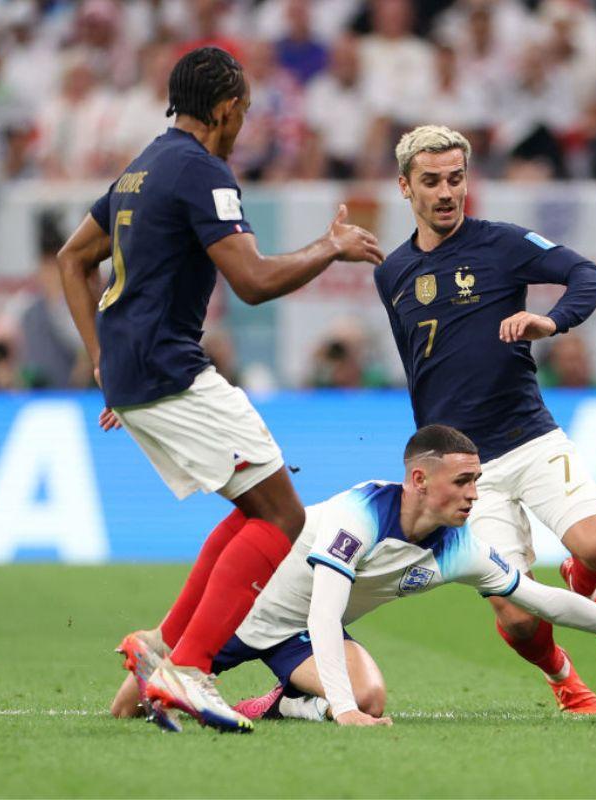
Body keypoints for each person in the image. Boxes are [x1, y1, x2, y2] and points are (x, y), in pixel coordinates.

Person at [56, 46, 383, 734]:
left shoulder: (144, 165)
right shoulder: (204, 172)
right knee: (283, 517)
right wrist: (330, 247)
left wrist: (101, 360)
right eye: (246, 110)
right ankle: (192, 668)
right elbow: (255, 282)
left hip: (136, 370)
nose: (246, 123)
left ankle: (165, 645)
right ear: (228, 109)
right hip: (171, 369)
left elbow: (73, 259)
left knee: (254, 503)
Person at [109, 425, 596, 726]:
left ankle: (279, 703)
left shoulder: (461, 546)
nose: (476, 494)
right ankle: (171, 649)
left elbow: (546, 602)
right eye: (464, 481)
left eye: (478, 480)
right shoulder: (361, 514)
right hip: (246, 612)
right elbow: (324, 609)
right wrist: (343, 712)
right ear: (420, 480)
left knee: (372, 695)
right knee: (127, 712)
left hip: (295, 638)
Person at [372, 125, 596, 716]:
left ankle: (582, 584)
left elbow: (591, 275)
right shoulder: (392, 274)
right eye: (431, 181)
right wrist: (427, 463)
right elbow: (420, 371)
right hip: (463, 469)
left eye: (456, 179)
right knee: (514, 618)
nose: (445, 192)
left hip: (528, 435)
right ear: (405, 186)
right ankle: (564, 679)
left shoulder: (505, 243)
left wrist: (550, 322)